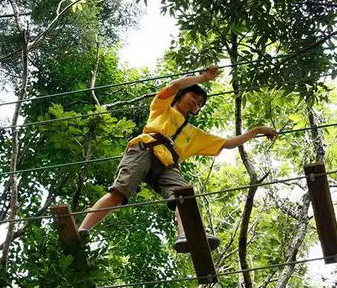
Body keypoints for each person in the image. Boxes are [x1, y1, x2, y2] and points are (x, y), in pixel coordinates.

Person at [78, 66, 277, 252]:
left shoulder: (194, 134)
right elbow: (174, 86)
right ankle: (83, 230)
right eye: (194, 96)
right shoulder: (162, 108)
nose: (196, 103)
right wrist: (203, 78)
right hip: (145, 148)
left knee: (184, 196)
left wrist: (257, 130)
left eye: (200, 103)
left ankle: (186, 236)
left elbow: (228, 143)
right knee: (120, 192)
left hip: (167, 166)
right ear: (182, 95)